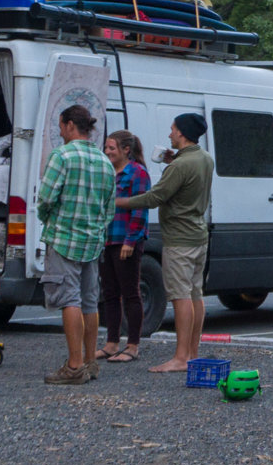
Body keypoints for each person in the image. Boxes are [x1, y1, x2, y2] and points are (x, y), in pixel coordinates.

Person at [114, 113, 212, 375]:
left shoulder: (178, 167)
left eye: (172, 129)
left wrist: (117, 202)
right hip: (199, 234)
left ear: (181, 133)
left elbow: (154, 197)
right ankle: (192, 352)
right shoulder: (204, 159)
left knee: (180, 296)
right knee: (195, 293)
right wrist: (174, 159)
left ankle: (180, 358)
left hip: (179, 239)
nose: (169, 134)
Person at [35, 104, 115, 384]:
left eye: (60, 126)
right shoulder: (105, 160)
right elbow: (109, 207)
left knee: (69, 300)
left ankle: (74, 366)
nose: (59, 131)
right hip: (92, 240)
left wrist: (47, 219)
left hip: (64, 237)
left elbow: (45, 198)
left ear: (70, 125)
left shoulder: (62, 156)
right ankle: (91, 361)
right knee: (90, 302)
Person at [97, 130, 150, 363]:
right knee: (109, 293)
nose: (107, 152)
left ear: (126, 150)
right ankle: (111, 342)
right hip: (107, 238)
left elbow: (140, 209)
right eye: (106, 148)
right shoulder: (107, 171)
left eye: (112, 148)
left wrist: (131, 240)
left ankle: (133, 345)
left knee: (130, 293)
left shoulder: (137, 172)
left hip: (126, 239)